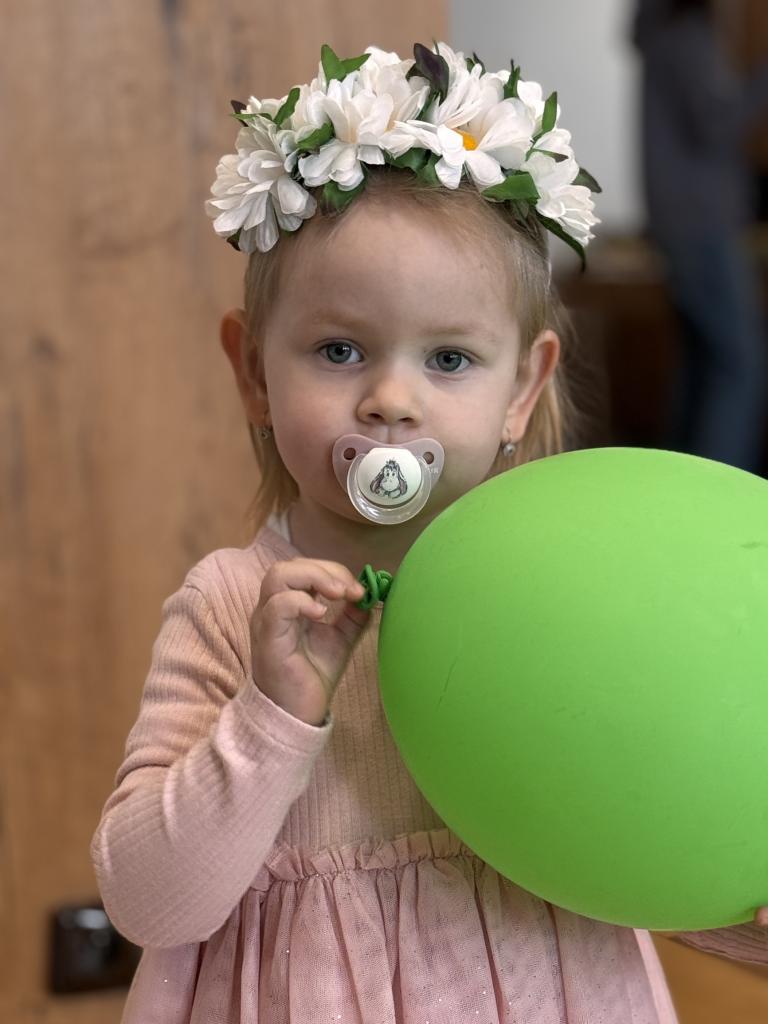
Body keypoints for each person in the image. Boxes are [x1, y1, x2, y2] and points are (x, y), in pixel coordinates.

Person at [90, 42, 768, 1024]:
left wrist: (743, 916)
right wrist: (271, 717)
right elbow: (149, 903)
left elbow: (626, 827)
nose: (392, 400)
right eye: (339, 349)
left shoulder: (563, 602)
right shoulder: (233, 607)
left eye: (449, 359)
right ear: (253, 374)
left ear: (522, 388)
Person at [633, 0, 768, 473]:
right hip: (702, 223)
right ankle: (719, 492)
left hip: (682, 221)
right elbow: (718, 124)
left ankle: (680, 482)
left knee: (702, 363)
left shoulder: (663, 31)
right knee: (739, 366)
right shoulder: (687, 35)